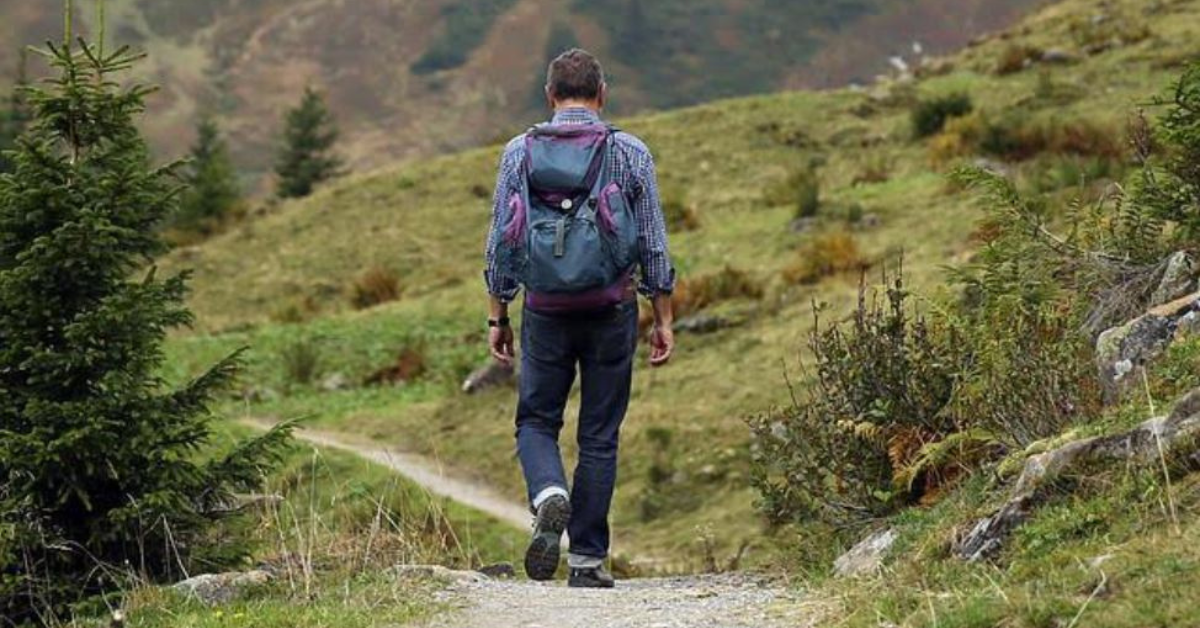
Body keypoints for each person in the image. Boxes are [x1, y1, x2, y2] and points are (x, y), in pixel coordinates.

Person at [483, 48, 675, 588]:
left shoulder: (518, 152)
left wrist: (498, 315)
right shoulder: (630, 152)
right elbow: (654, 243)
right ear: (602, 93)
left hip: (544, 309)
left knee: (536, 420)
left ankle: (549, 493)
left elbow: (501, 239)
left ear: (550, 96)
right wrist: (662, 316)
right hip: (611, 307)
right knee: (599, 434)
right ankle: (588, 561)